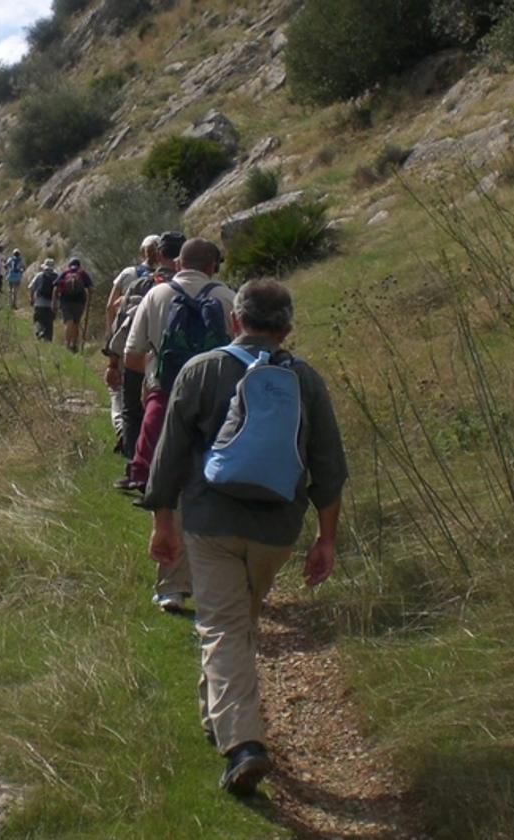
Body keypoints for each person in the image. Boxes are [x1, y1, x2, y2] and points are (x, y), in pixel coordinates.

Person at [144, 278, 347, 797]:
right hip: (277, 528)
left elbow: (168, 454)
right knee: (236, 624)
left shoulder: (202, 369)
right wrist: (326, 538)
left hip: (210, 523)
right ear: (287, 329)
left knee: (223, 627)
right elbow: (328, 466)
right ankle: (221, 719)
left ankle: (244, 747)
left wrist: (162, 520)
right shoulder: (306, 381)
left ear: (236, 320)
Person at [124, 238, 235, 613]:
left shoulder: (156, 296)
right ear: (213, 266)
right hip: (218, 405)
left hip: (166, 397)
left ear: (176, 262)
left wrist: (155, 377)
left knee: (168, 491)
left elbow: (132, 355)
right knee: (211, 488)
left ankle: (172, 585)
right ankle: (216, 580)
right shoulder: (228, 298)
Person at [104, 235, 164, 486]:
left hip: (131, 343)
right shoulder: (172, 281)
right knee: (155, 405)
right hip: (160, 353)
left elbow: (110, 306)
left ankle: (132, 459)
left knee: (126, 403)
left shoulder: (130, 275)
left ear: (143, 252)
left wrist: (110, 344)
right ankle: (155, 458)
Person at [53, 257, 92, 352]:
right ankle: (73, 344)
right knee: (75, 323)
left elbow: (55, 286)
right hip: (79, 302)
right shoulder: (82, 273)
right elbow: (91, 288)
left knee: (68, 322)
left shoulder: (65, 273)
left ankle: (67, 344)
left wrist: (54, 302)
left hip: (65, 301)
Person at [29, 257, 59, 342]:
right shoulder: (57, 276)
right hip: (52, 304)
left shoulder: (39, 275)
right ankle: (48, 340)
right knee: (49, 323)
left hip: (39, 303)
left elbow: (31, 288)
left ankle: (39, 332)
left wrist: (31, 298)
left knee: (38, 319)